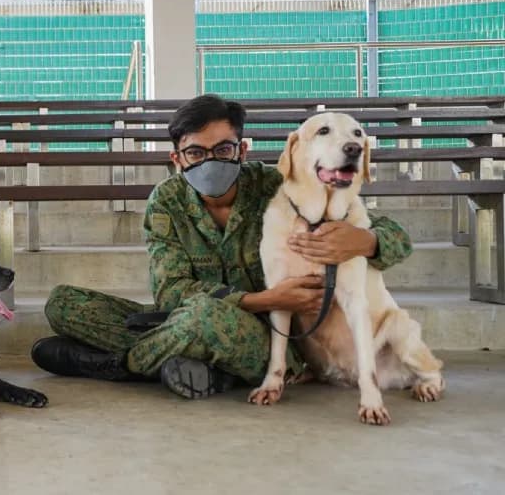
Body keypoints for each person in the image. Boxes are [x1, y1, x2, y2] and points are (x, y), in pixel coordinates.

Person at [30, 94, 414, 399]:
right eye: (195, 152)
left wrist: (364, 240)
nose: (210, 161)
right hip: (195, 317)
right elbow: (171, 292)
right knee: (63, 303)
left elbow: (395, 237)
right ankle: (190, 362)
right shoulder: (167, 201)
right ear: (177, 159)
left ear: (242, 150)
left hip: (279, 340)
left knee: (202, 319)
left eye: (224, 150)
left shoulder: (279, 186)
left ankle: (119, 365)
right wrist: (265, 299)